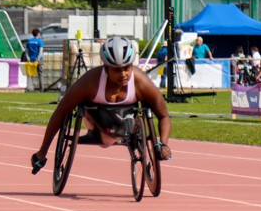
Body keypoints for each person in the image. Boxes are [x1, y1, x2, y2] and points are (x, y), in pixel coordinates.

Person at [31, 35, 172, 173]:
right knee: (106, 140)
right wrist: (42, 152)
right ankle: (118, 128)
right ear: (106, 67)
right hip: (96, 119)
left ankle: (128, 124)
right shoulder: (90, 82)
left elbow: (164, 115)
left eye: (127, 68)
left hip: (126, 117)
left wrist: (163, 144)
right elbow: (61, 112)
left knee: (111, 137)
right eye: (116, 69)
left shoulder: (141, 83)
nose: (123, 74)